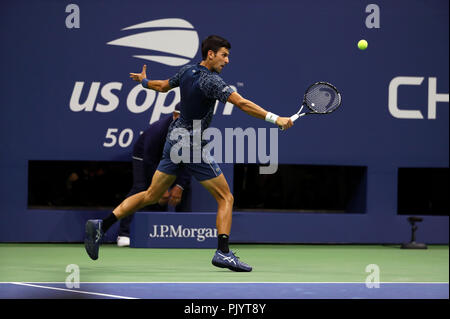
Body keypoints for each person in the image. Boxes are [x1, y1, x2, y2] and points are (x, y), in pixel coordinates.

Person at [84, 35, 293, 272]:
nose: (227, 60)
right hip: (190, 144)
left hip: (174, 140)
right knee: (226, 198)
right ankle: (223, 252)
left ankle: (103, 224)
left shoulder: (187, 71)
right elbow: (242, 103)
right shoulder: (212, 82)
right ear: (210, 54)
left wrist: (144, 82)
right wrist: (276, 119)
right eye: (224, 55)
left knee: (152, 194)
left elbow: (162, 86)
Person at [117, 104, 192, 247]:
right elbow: (150, 161)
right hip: (145, 157)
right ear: (174, 115)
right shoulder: (158, 130)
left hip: (172, 158)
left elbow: (190, 163)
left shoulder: (192, 132)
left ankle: (183, 233)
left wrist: (180, 186)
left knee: (184, 188)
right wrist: (161, 187)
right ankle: (123, 233)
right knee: (141, 188)